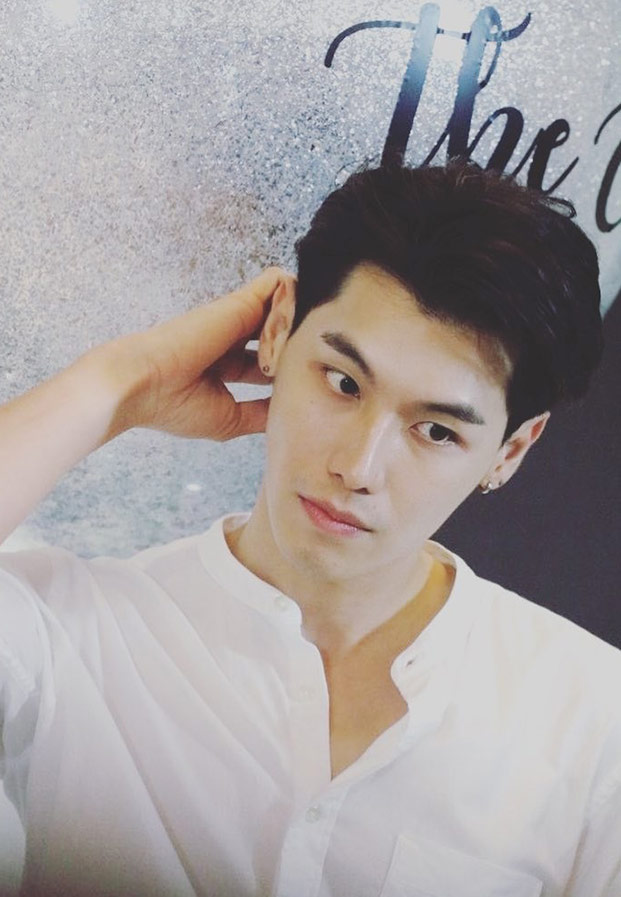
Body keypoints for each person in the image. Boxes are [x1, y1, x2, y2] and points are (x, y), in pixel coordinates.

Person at [0, 160, 619, 897]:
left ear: (510, 451)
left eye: (436, 431)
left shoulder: (593, 720)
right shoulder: (64, 632)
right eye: (343, 382)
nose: (357, 467)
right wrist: (116, 383)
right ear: (278, 332)